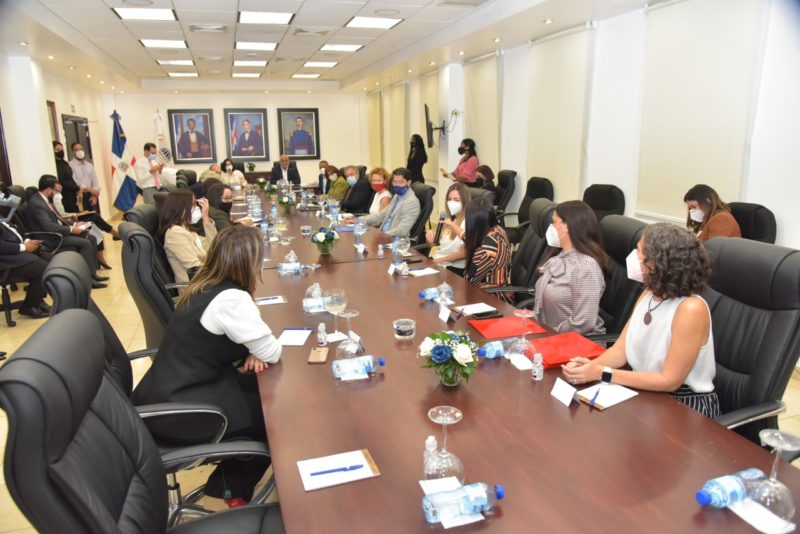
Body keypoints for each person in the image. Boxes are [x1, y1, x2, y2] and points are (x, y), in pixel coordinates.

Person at [132, 225, 282, 506]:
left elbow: (219, 340)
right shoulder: (232, 300)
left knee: (260, 390)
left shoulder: (204, 285)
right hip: (182, 411)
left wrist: (250, 350)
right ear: (249, 263)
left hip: (165, 393)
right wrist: (255, 349)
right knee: (275, 415)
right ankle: (233, 489)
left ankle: (231, 482)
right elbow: (272, 352)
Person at [562, 223, 719, 418]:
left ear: (657, 263)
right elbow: (620, 351)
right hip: (645, 393)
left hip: (683, 407)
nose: (633, 256)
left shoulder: (690, 309)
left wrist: (602, 372)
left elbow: (669, 380)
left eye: (638, 251)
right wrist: (589, 368)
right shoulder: (649, 293)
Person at [531, 201, 608, 335]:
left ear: (568, 226)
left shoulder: (586, 266)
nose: (550, 227)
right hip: (550, 334)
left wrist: (548, 335)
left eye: (554, 222)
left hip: (577, 343)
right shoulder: (560, 255)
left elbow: (583, 323)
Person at [25, 175, 107, 288]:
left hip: (58, 233)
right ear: (49, 190)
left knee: (91, 238)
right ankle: (88, 280)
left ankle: (92, 274)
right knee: (86, 242)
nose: (57, 194)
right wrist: (71, 229)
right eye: (56, 191)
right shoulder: (37, 204)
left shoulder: (45, 200)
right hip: (50, 238)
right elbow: (49, 227)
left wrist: (74, 224)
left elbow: (58, 219)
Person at [159, 190, 217, 284]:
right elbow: (195, 268)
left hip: (204, 279)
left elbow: (213, 246)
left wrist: (205, 218)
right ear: (180, 207)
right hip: (195, 286)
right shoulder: (175, 234)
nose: (197, 208)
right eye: (193, 204)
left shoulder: (186, 228)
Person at [463, 197, 511, 301]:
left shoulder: (486, 251)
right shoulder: (498, 229)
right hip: (501, 288)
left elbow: (470, 281)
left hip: (492, 298)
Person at [0, 220, 51, 318]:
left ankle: (37, 300)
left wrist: (27, 241)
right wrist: (23, 247)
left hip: (11, 256)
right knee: (43, 268)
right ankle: (29, 307)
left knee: (48, 260)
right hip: (4, 263)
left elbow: (13, 233)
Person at [426, 183, 470, 275]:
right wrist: (430, 239)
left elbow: (464, 254)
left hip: (452, 268)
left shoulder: (467, 221)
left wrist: (436, 262)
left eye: (456, 200)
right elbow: (435, 246)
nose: (451, 203)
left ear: (465, 201)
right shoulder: (450, 219)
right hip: (438, 262)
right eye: (449, 199)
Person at [363, 168, 420, 237]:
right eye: (395, 182)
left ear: (408, 182)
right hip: (384, 235)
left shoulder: (412, 202)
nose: (397, 185)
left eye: (401, 182)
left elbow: (402, 230)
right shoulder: (397, 196)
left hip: (395, 241)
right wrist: (358, 220)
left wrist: (382, 235)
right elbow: (381, 216)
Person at [53, 141, 80, 213]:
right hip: (65, 195)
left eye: (62, 149)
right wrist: (75, 187)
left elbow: (71, 178)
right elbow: (62, 181)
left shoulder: (65, 163)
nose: (61, 152)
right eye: (58, 150)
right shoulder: (55, 165)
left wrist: (77, 187)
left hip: (72, 195)